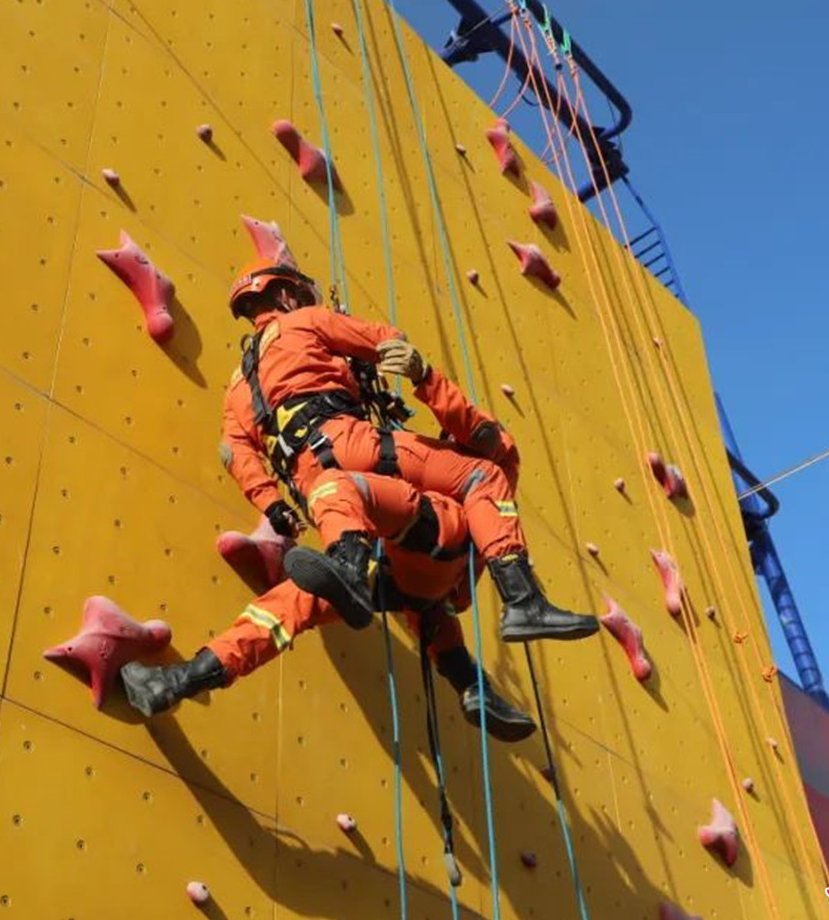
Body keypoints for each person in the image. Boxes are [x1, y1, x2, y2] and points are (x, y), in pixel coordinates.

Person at [219, 258, 598, 644]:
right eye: (299, 295)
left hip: (311, 489)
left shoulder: (238, 385)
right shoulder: (305, 321)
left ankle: (361, 576)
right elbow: (384, 339)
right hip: (351, 443)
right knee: (484, 475)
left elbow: (235, 453)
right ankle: (523, 599)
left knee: (385, 531)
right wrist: (406, 364)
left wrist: (273, 506)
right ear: (284, 294)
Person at [120, 471, 537, 741]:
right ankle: (474, 687)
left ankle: (179, 681)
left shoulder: (454, 482)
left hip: (408, 550)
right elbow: (456, 599)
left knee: (290, 602)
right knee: (431, 612)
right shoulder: (493, 519)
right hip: (426, 583)